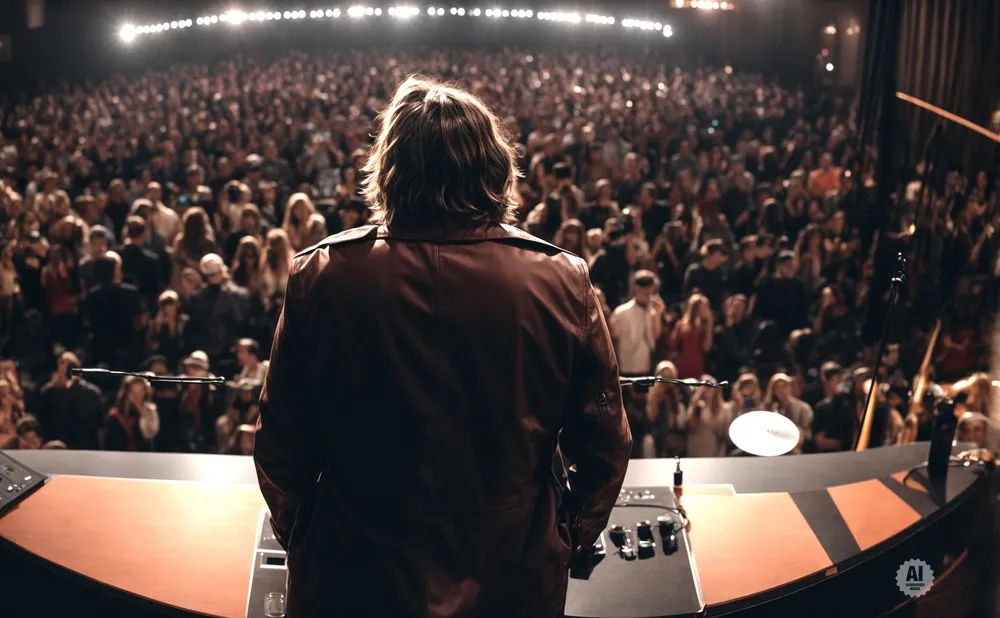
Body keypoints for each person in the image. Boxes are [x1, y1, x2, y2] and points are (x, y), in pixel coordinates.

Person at [254, 76, 631, 618]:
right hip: (511, 579)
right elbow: (605, 447)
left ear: (389, 168)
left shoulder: (324, 275)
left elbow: (279, 446)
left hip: (352, 576)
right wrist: (560, 536)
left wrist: (310, 536)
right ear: (495, 168)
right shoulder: (560, 279)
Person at [609, 270, 665, 377]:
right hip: (627, 367)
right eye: (642, 287)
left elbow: (657, 336)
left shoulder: (654, 311)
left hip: (646, 366)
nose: (646, 291)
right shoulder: (622, 312)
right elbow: (612, 338)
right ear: (636, 288)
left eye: (649, 288)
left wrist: (657, 315)